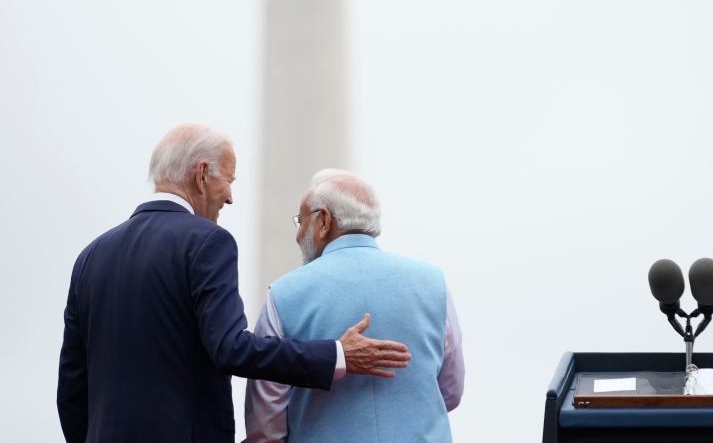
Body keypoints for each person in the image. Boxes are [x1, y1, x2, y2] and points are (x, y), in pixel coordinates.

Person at [56, 124, 411, 443]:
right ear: (202, 174)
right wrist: (336, 354)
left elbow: (71, 388)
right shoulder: (207, 241)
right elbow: (230, 348)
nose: (230, 197)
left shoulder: (91, 257)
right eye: (229, 180)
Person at [244, 169, 465, 443]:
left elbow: (267, 424)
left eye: (300, 221)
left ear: (324, 220)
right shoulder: (435, 283)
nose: (298, 234)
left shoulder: (282, 294)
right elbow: (451, 391)